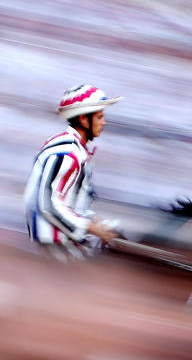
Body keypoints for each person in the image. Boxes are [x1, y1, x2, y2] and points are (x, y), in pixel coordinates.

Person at [24, 84, 122, 260]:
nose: (104, 122)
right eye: (100, 117)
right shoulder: (68, 153)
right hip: (58, 247)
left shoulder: (76, 149)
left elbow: (72, 204)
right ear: (84, 119)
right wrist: (91, 227)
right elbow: (49, 205)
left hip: (65, 241)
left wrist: (95, 220)